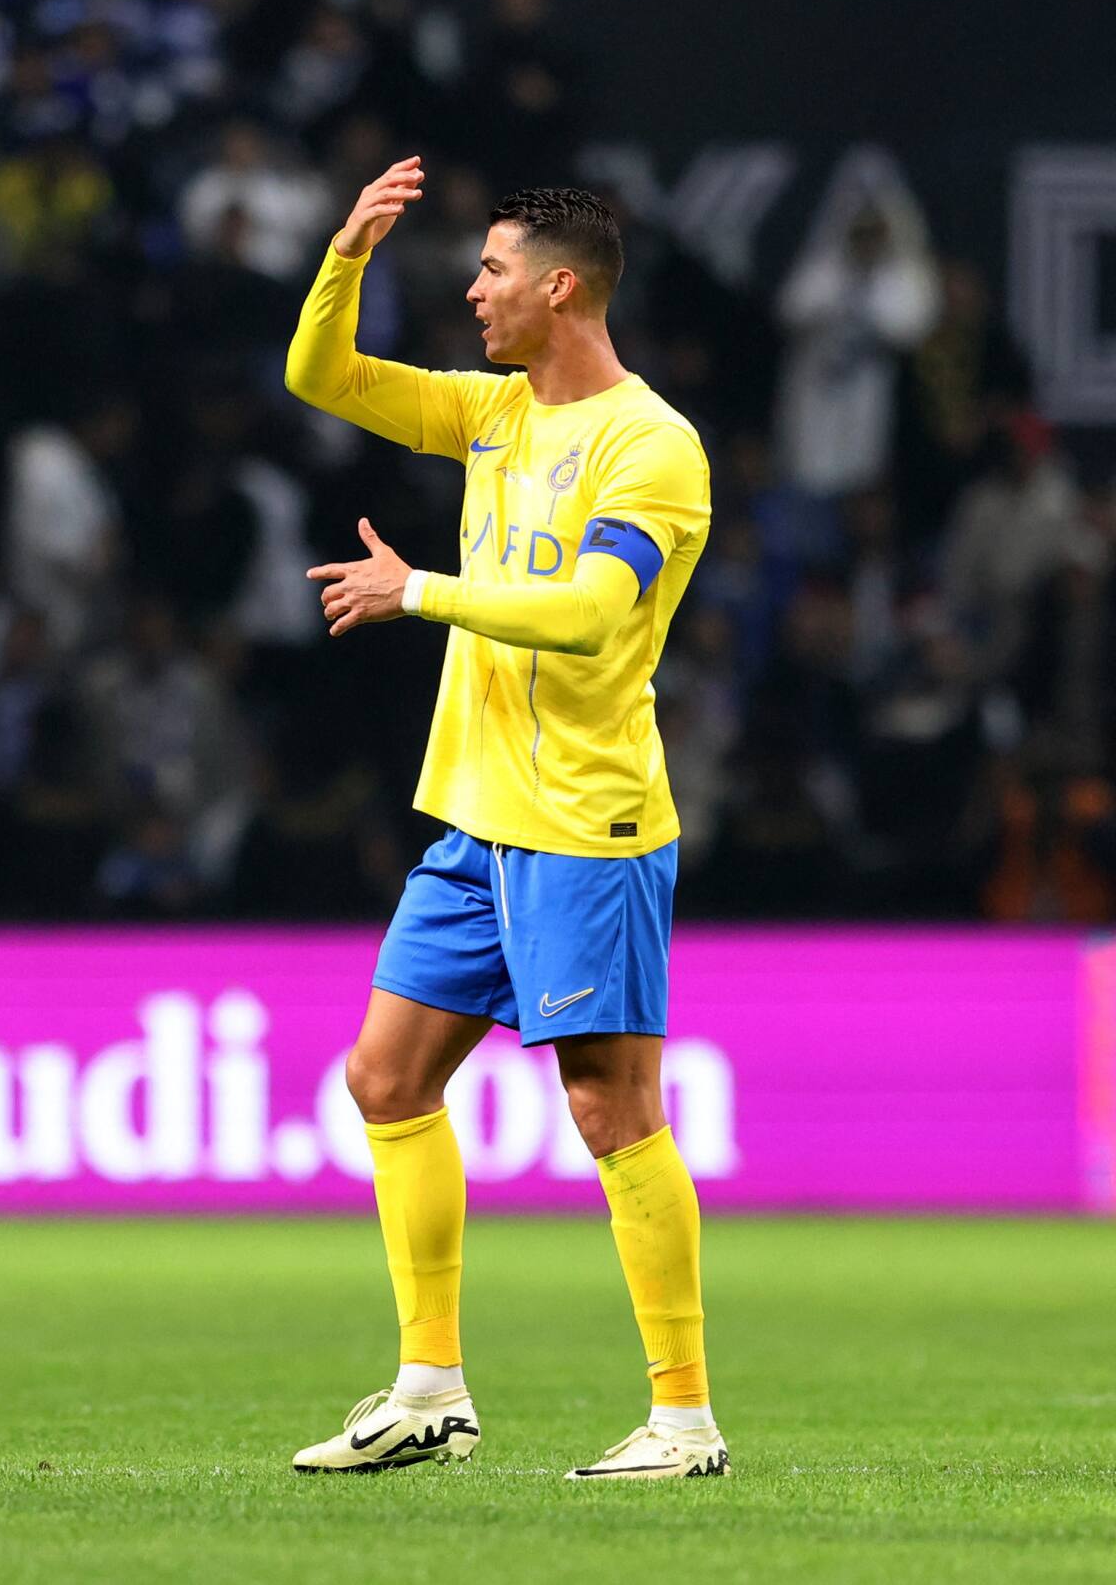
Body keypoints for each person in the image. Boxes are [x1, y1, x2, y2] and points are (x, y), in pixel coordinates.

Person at [284, 156, 726, 1481]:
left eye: (490, 270)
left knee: (610, 1111)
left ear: (562, 286)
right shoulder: (490, 414)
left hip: (588, 821)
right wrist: (346, 253)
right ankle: (430, 1390)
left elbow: (595, 614)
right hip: (475, 819)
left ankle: (685, 1420)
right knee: (386, 1077)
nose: (471, 291)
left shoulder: (653, 446)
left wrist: (421, 593)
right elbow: (323, 377)